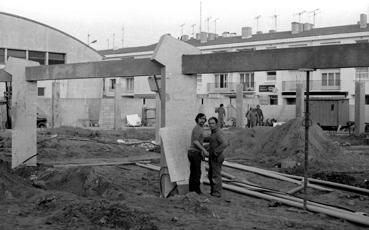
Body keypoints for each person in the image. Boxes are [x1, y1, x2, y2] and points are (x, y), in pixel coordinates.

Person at [188, 113, 209, 194]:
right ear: (197, 119)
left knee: (193, 172)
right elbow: (195, 141)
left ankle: (192, 190)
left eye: (204, 119)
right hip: (194, 153)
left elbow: (199, 140)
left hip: (193, 152)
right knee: (197, 173)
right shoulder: (197, 128)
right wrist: (204, 150)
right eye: (200, 118)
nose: (202, 120)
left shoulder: (200, 128)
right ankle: (197, 191)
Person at [207, 117, 228, 197]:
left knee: (216, 175)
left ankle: (217, 193)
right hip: (212, 157)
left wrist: (216, 152)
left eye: (212, 123)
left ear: (216, 124)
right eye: (209, 123)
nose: (211, 125)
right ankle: (213, 191)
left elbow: (225, 143)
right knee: (210, 175)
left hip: (217, 157)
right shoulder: (213, 133)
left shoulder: (218, 133)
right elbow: (212, 144)